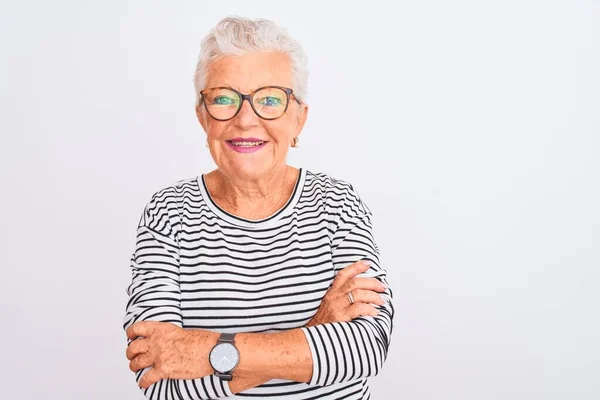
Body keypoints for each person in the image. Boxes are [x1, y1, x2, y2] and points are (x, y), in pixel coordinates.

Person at [123, 16, 395, 400]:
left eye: (270, 99)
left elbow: (365, 349)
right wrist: (318, 328)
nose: (245, 119)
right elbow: (162, 383)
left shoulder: (338, 204)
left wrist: (206, 352)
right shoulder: (168, 213)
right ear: (202, 117)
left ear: (298, 118)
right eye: (223, 98)